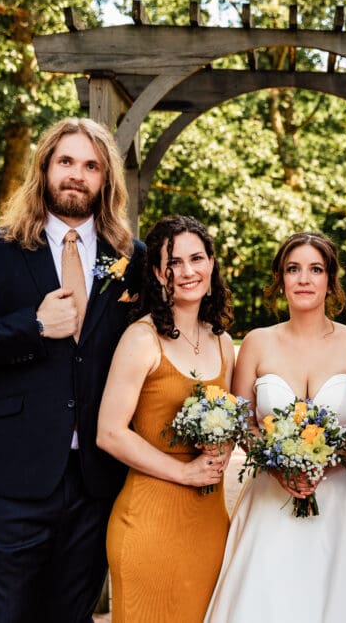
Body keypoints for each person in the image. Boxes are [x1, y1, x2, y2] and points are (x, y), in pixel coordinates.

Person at [0, 117, 145, 623]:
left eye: (91, 166)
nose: (77, 175)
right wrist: (31, 325)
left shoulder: (131, 259)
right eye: (66, 162)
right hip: (12, 476)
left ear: (105, 180)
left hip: (95, 480)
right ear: (45, 168)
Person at [205, 231, 346, 622]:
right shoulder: (257, 344)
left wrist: (328, 458)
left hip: (342, 504)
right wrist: (279, 463)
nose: (304, 279)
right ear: (279, 279)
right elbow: (243, 421)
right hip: (270, 496)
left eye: (316, 269)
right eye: (293, 269)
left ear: (331, 281)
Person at [96, 215, 236, 623]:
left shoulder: (223, 342)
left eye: (197, 258)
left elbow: (237, 421)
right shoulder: (141, 339)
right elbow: (109, 433)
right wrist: (186, 473)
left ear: (212, 263)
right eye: (173, 262)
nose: (188, 271)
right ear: (158, 273)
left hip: (210, 527)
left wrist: (222, 447)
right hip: (149, 524)